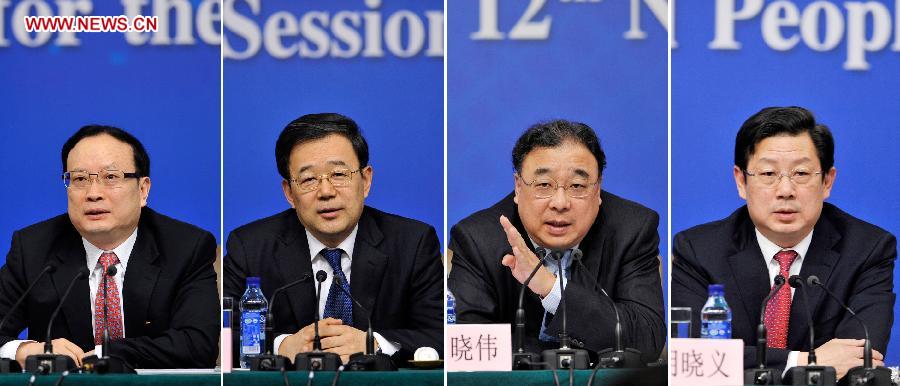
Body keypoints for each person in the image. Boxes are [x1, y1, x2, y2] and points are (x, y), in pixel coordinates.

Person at [671, 106, 895, 379]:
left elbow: (860, 359)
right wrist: (801, 360)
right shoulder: (698, 250)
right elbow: (692, 359)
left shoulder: (867, 249)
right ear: (741, 181)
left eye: (801, 174)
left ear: (827, 181)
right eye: (768, 174)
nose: (785, 191)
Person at [223, 113, 443, 366]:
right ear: (289, 193)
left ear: (366, 180)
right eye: (308, 179)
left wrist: (375, 343)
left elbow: (442, 335)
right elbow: (221, 334)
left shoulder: (412, 243)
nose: (326, 192)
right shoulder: (250, 246)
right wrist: (282, 345)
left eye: (339, 174)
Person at [0, 125, 219, 369]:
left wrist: (102, 354)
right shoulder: (33, 249)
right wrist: (24, 349)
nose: (93, 193)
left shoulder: (186, 247)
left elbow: (198, 345)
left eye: (111, 177)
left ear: (143, 189)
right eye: (80, 179)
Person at [448, 119, 665, 364]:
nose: (560, 203)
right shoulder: (478, 238)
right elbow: (467, 344)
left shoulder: (632, 229)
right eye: (544, 185)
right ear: (518, 187)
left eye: (577, 185)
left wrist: (551, 289)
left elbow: (647, 339)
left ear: (598, 190)